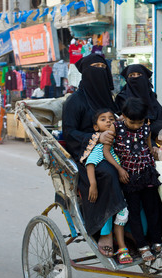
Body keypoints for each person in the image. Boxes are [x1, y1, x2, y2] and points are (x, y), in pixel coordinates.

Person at [62, 53, 127, 258]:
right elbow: (69, 132)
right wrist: (96, 137)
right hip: (86, 153)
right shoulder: (75, 101)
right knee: (108, 173)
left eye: (102, 66)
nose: (99, 70)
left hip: (114, 149)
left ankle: (135, 229)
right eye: (94, 67)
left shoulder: (110, 100)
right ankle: (105, 232)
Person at [103, 97, 162, 262]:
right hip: (129, 176)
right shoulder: (115, 127)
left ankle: (157, 242)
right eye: (133, 122)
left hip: (147, 173)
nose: (136, 126)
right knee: (134, 213)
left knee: (152, 210)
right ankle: (141, 246)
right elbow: (106, 151)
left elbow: (147, 146)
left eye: (140, 122)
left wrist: (156, 152)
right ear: (123, 116)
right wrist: (119, 169)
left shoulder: (145, 127)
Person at [83, 109, 132, 264]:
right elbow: (90, 163)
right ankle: (109, 236)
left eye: (111, 119)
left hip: (122, 188)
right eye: (103, 119)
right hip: (109, 187)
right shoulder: (100, 147)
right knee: (112, 210)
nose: (109, 121)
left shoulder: (118, 143)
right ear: (96, 128)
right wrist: (93, 185)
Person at [116, 64, 162, 152]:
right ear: (127, 79)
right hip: (133, 136)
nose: (136, 78)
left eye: (139, 75)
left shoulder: (151, 97)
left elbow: (161, 118)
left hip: (154, 134)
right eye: (132, 75)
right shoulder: (122, 98)